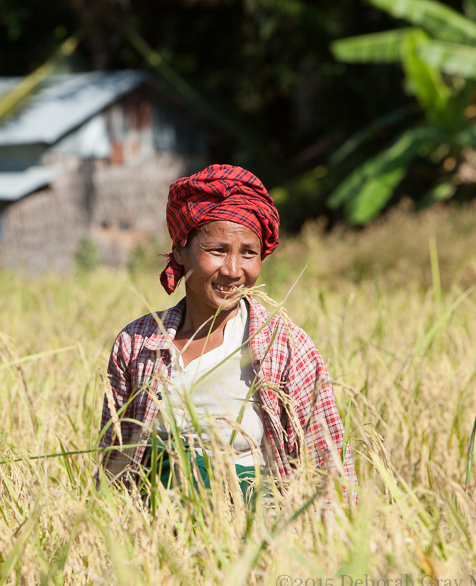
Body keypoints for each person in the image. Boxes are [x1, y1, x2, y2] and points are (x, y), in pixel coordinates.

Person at [98, 164, 357, 505]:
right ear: (180, 250)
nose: (234, 271)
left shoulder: (284, 345)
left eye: (248, 253)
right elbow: (113, 459)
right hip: (155, 535)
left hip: (252, 534)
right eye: (217, 250)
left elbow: (331, 463)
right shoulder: (138, 343)